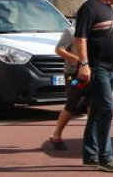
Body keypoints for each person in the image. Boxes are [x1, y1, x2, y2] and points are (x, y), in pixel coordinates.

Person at [75, 0, 113, 173]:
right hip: (98, 68)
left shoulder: (108, 9)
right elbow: (80, 38)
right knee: (106, 109)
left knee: (96, 111)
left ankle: (90, 155)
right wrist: (84, 64)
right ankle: (106, 157)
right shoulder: (89, 8)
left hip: (112, 69)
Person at [47, 22, 89, 151]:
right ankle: (56, 135)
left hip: (90, 71)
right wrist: (78, 60)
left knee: (94, 102)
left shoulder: (93, 31)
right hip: (73, 75)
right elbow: (59, 50)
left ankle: (92, 138)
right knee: (73, 102)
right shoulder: (71, 31)